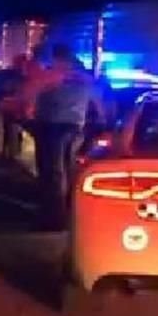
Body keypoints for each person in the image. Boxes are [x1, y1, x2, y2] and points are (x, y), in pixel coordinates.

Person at [31, 44, 105, 230]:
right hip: (74, 126)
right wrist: (101, 121)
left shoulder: (52, 73)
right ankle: (69, 212)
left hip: (52, 125)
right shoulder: (86, 79)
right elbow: (98, 103)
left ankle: (55, 219)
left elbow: (33, 93)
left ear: (58, 57)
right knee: (68, 168)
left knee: (53, 172)